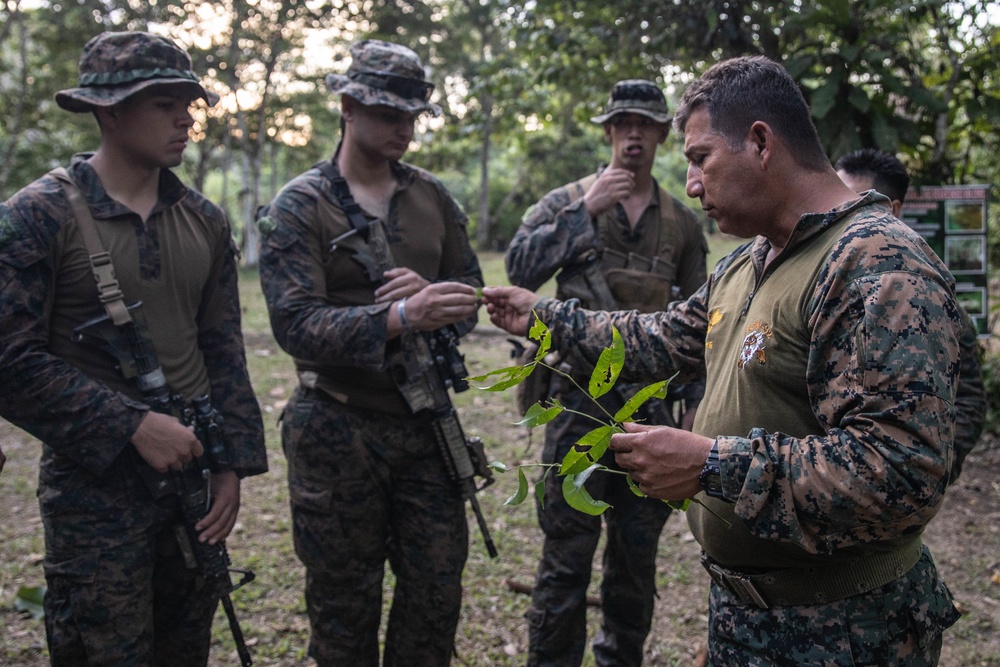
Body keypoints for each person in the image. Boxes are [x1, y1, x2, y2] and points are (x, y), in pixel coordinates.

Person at [484, 55, 963, 666]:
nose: (690, 182)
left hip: (844, 630)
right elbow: (664, 338)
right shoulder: (751, 261)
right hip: (750, 618)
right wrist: (544, 318)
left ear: (760, 142)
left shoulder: (876, 264)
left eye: (700, 157)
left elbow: (900, 474)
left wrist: (712, 465)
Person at [0, 31, 267, 665]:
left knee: (185, 645)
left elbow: (222, 348)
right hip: (97, 491)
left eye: (190, 101)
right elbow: (8, 360)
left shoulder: (203, 219)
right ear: (109, 110)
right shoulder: (38, 214)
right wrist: (132, 426)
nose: (185, 117)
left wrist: (231, 463)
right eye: (163, 102)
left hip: (194, 477)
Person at [256, 39, 483, 666]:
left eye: (413, 117)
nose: (405, 130)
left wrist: (440, 300)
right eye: (390, 114)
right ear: (348, 108)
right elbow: (295, 325)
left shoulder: (431, 197)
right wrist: (396, 316)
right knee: (342, 609)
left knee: (435, 598)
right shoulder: (300, 205)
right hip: (337, 428)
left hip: (426, 426)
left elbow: (470, 289)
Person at [505, 79, 708, 666]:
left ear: (663, 135)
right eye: (624, 123)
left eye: (646, 124)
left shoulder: (681, 223)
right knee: (565, 558)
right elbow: (519, 268)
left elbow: (701, 322)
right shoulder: (567, 201)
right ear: (609, 130)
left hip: (648, 415)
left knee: (635, 561)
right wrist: (584, 211)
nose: (634, 135)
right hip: (575, 406)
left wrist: (692, 402)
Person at [835, 148, 986, 484]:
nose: (839, 212)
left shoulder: (925, 291)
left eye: (854, 202)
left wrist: (933, 471)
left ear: (893, 210)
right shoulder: (823, 283)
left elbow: (970, 397)